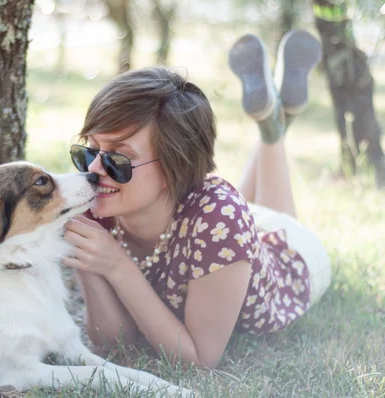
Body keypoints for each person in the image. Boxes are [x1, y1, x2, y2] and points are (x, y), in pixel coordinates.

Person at [62, 30, 332, 368]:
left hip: (293, 256)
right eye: (89, 151)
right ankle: (273, 121)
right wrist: (91, 264)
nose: (95, 169)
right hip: (211, 223)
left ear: (175, 165)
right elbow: (116, 344)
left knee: (254, 216)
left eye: (119, 159)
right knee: (234, 215)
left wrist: (116, 264)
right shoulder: (93, 196)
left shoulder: (220, 220)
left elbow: (199, 360)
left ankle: (273, 128)